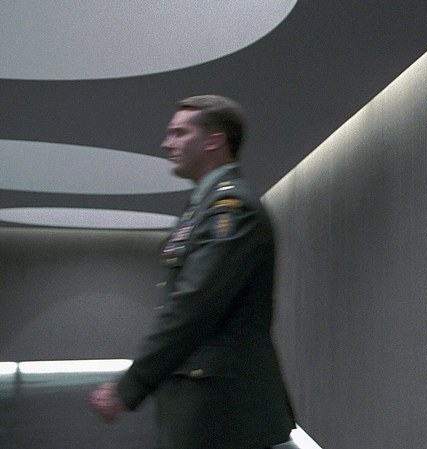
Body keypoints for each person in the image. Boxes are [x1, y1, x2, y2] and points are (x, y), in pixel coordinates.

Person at [88, 95, 295, 449]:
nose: (166, 143)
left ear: (213, 141)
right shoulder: (205, 206)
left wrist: (130, 386)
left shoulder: (232, 208)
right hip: (208, 401)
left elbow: (193, 305)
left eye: (179, 133)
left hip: (222, 409)